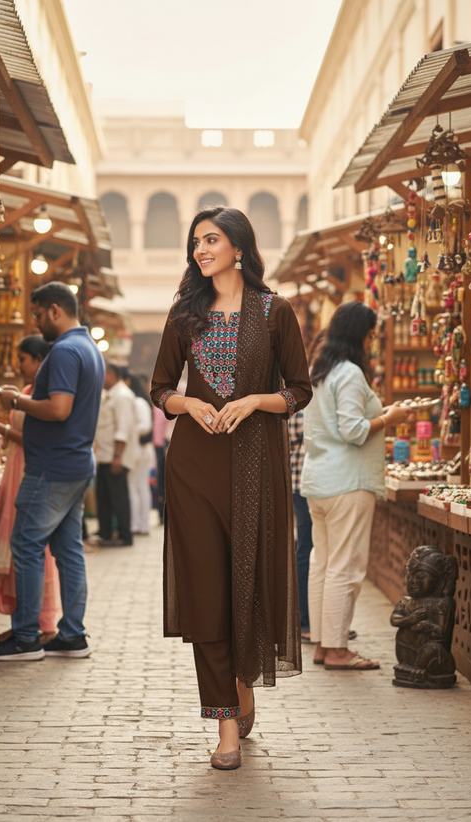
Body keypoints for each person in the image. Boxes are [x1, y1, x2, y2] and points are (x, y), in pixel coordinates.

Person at [150, 205, 312, 770]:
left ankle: (244, 679)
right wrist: (187, 404)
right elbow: (159, 388)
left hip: (254, 469)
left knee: (249, 582)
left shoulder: (274, 312)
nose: (201, 249)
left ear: (239, 248)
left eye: (212, 239)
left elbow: (299, 390)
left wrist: (255, 401)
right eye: (196, 241)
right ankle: (225, 726)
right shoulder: (184, 314)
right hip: (193, 469)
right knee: (205, 591)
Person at [0, 281, 105, 661]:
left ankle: (25, 638)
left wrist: (17, 399)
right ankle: (72, 635)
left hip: (52, 466)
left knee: (26, 544)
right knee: (68, 551)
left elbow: (59, 408)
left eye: (37, 314)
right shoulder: (88, 347)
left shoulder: (64, 350)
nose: (36, 321)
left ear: (54, 310)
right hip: (73, 463)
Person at [300, 301, 409, 671]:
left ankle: (323, 643)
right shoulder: (348, 373)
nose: (372, 341)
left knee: (323, 563)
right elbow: (353, 431)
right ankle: (336, 649)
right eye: (371, 334)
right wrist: (389, 418)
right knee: (345, 567)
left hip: (320, 479)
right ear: (359, 334)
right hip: (347, 481)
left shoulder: (319, 369)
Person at [0, 335, 61, 642]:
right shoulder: (26, 392)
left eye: (23, 359)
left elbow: (39, 441)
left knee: (32, 547)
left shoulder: (46, 396)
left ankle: (43, 623)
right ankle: (22, 621)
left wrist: (0, 428)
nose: (19, 365)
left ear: (39, 361)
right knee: (19, 549)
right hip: (16, 470)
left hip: (31, 471)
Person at [94, 362, 138, 547]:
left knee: (118, 498)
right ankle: (106, 534)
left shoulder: (122, 396)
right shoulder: (110, 395)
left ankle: (124, 535)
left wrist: (117, 456)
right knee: (104, 498)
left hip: (115, 456)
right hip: (105, 456)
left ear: (111, 374)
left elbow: (123, 428)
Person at [288, 409, 312, 644]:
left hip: (302, 481)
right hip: (305, 481)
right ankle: (305, 621)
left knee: (307, 548)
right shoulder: (299, 402)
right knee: (306, 549)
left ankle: (313, 621)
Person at [126, 372, 154, 535]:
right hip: (141, 449)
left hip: (140, 449)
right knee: (140, 487)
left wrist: (128, 431)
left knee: (136, 487)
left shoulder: (138, 402)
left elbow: (145, 426)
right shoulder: (141, 401)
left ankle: (137, 525)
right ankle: (140, 525)